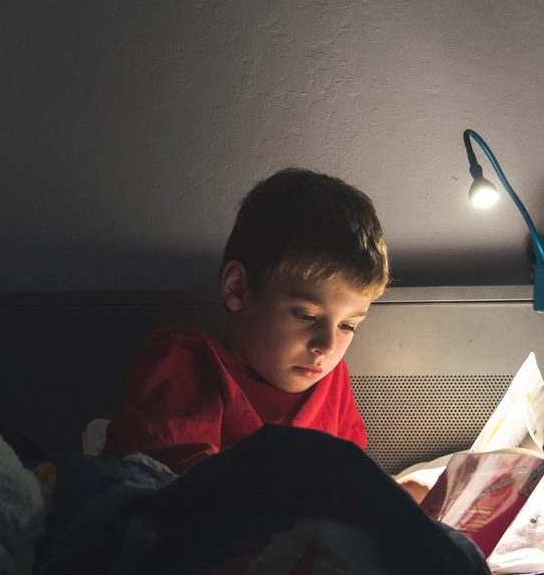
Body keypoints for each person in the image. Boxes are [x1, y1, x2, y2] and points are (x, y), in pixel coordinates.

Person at [103, 167, 388, 474]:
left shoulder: (332, 381)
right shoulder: (186, 365)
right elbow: (184, 492)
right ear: (237, 288)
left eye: (347, 326)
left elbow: (350, 476)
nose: (327, 346)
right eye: (306, 316)